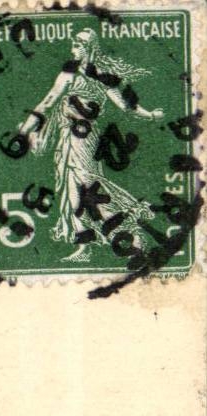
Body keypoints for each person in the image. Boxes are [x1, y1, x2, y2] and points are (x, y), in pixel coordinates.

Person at [15, 28, 163, 264]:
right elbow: (47, 103)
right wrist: (24, 131)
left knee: (89, 189)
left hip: (85, 140)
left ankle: (131, 233)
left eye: (79, 43)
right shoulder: (68, 74)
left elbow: (126, 106)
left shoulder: (102, 76)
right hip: (67, 139)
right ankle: (85, 246)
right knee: (72, 193)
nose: (74, 45)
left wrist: (151, 115)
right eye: (74, 42)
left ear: (90, 48)